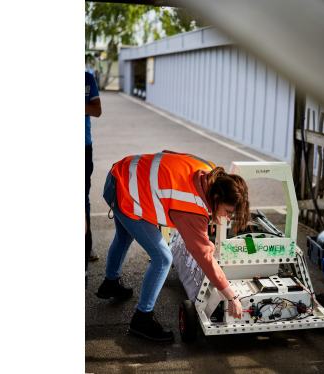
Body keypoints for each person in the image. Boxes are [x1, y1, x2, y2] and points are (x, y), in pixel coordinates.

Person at [96, 151, 251, 341]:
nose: (226, 217)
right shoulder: (191, 207)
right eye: (227, 211)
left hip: (121, 173)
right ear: (217, 196)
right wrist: (231, 295)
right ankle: (142, 319)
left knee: (123, 237)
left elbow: (168, 154)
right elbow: (202, 254)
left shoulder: (210, 170)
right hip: (125, 191)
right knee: (162, 258)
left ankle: (110, 284)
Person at [85, 71, 102, 288]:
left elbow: (97, 110)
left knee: (83, 198)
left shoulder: (87, 79)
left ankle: (86, 248)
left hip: (83, 147)